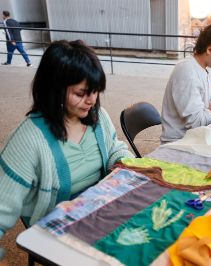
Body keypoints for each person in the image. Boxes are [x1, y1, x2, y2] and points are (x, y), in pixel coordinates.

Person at [0, 40, 133, 255]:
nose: (91, 101)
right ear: (55, 89)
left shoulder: (98, 118)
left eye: (95, 91)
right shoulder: (29, 140)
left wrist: (123, 163)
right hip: (59, 227)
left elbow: (114, 147)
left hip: (101, 207)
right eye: (81, 93)